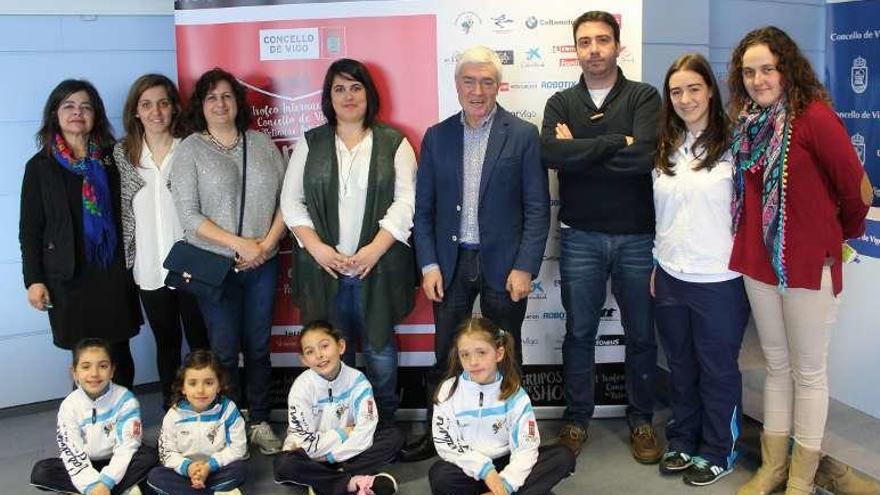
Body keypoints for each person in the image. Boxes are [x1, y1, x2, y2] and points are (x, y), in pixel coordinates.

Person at [727, 27, 872, 495]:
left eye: (767, 68)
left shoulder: (816, 118)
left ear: (787, 69)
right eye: (749, 72)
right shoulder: (747, 123)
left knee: (809, 372)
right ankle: (773, 467)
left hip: (809, 263)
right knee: (776, 366)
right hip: (759, 263)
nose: (758, 79)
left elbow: (854, 189)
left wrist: (833, 237)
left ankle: (802, 479)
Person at [406, 45, 550, 462]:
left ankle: (511, 438)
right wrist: (428, 263)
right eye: (469, 81)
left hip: (505, 265)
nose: (478, 90)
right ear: (457, 85)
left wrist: (525, 266)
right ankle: (440, 435)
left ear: (498, 86)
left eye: (487, 82)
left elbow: (537, 208)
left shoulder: (522, 135)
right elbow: (425, 208)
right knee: (447, 353)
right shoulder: (437, 136)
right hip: (450, 264)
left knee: (506, 350)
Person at [540, 10, 662, 461]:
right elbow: (552, 153)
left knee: (642, 334)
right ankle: (576, 421)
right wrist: (617, 142)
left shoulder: (645, 97)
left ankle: (642, 421)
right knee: (579, 333)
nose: (594, 49)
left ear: (617, 45)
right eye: (585, 41)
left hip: (636, 237)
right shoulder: (559, 102)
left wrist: (582, 151)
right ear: (576, 48)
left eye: (602, 40)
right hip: (580, 237)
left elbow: (646, 157)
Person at [280, 58, 417, 427]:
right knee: (332, 352)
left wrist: (374, 249)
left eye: (356, 87)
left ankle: (384, 422)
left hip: (378, 266)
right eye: (339, 88)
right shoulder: (311, 143)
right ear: (328, 97)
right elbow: (290, 202)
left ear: (368, 93)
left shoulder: (394, 143)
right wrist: (318, 248)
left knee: (380, 350)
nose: (348, 95)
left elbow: (406, 202)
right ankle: (343, 425)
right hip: (324, 269)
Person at [172, 67, 287, 455]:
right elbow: (189, 216)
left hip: (263, 263)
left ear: (238, 102)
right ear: (200, 106)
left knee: (257, 346)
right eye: (211, 97)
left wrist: (266, 244)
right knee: (223, 350)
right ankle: (228, 421)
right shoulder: (190, 150)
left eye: (226, 96)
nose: (220, 104)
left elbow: (286, 202)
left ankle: (259, 421)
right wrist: (240, 244)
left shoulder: (262, 144)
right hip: (215, 267)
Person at [652, 53, 750, 486]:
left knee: (716, 367)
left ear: (711, 90)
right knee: (680, 364)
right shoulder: (667, 147)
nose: (686, 98)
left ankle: (718, 450)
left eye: (694, 88)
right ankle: (683, 439)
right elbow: (661, 215)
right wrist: (658, 262)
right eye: (676, 91)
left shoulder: (737, 145)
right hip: (672, 274)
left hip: (720, 279)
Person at [19, 79, 143, 389]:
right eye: (69, 106)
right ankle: (90, 430)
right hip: (67, 277)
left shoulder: (113, 159)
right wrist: (34, 280)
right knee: (86, 359)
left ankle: (124, 429)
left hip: (111, 272)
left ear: (96, 116)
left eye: (86, 106)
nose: (78, 112)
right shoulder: (40, 167)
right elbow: (30, 230)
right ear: (54, 115)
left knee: (118, 355)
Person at [114, 74, 209, 409]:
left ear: (174, 108)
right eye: (146, 104)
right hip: (149, 268)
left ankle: (209, 409)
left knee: (200, 342)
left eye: (163, 103)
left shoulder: (193, 147)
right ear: (135, 111)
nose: (156, 111)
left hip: (192, 265)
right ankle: (173, 411)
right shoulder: (122, 155)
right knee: (166, 343)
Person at [428, 317, 576, 495]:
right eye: (465, 354)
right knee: (439, 475)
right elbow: (447, 443)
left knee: (562, 457)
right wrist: (486, 471)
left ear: (499, 354)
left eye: (481, 352)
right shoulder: (448, 391)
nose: (472, 362)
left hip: (508, 465)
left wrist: (505, 484)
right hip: (470, 469)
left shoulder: (514, 394)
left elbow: (526, 448)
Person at [273, 320, 403, 495]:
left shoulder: (358, 381)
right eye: (310, 352)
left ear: (341, 346)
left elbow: (365, 431)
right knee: (284, 464)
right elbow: (306, 444)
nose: (319, 355)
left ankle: (324, 481)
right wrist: (342, 433)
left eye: (324, 346)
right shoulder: (300, 388)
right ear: (304, 360)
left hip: (337, 453)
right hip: (321, 451)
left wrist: (331, 457)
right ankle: (353, 482)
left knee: (393, 437)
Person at [30, 338, 157, 495]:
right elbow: (71, 450)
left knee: (149, 457)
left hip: (118, 461)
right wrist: (91, 485)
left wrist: (106, 481)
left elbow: (128, 445)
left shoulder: (126, 400)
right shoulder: (69, 405)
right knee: (41, 472)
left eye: (103, 366)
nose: (94, 373)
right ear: (74, 373)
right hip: (86, 462)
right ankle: (119, 489)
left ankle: (98, 489)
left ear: (112, 371)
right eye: (86, 367)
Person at [146, 350, 247, 495]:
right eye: (192, 383)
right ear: (183, 388)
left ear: (219, 386)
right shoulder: (173, 415)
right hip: (185, 473)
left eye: (209, 383)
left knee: (239, 469)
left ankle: (189, 492)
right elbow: (167, 452)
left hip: (216, 469)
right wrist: (188, 468)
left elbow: (238, 448)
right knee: (155, 476)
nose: (200, 390)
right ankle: (210, 492)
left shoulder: (228, 409)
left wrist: (209, 466)